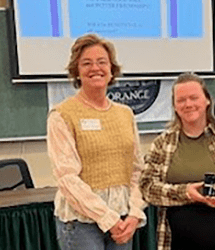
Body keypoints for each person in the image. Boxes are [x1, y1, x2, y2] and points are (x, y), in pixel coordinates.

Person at [139, 72, 215, 250]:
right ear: (174, 106)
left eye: (194, 98)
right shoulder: (162, 143)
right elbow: (147, 187)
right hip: (174, 241)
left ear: (207, 101)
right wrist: (185, 192)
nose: (188, 104)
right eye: (181, 100)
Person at [47, 34, 147, 250]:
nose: (95, 68)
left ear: (112, 69)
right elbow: (67, 177)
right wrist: (107, 218)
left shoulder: (125, 114)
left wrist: (135, 213)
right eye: (87, 63)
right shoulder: (62, 115)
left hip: (123, 219)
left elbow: (137, 170)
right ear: (77, 71)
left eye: (102, 62)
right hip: (81, 223)